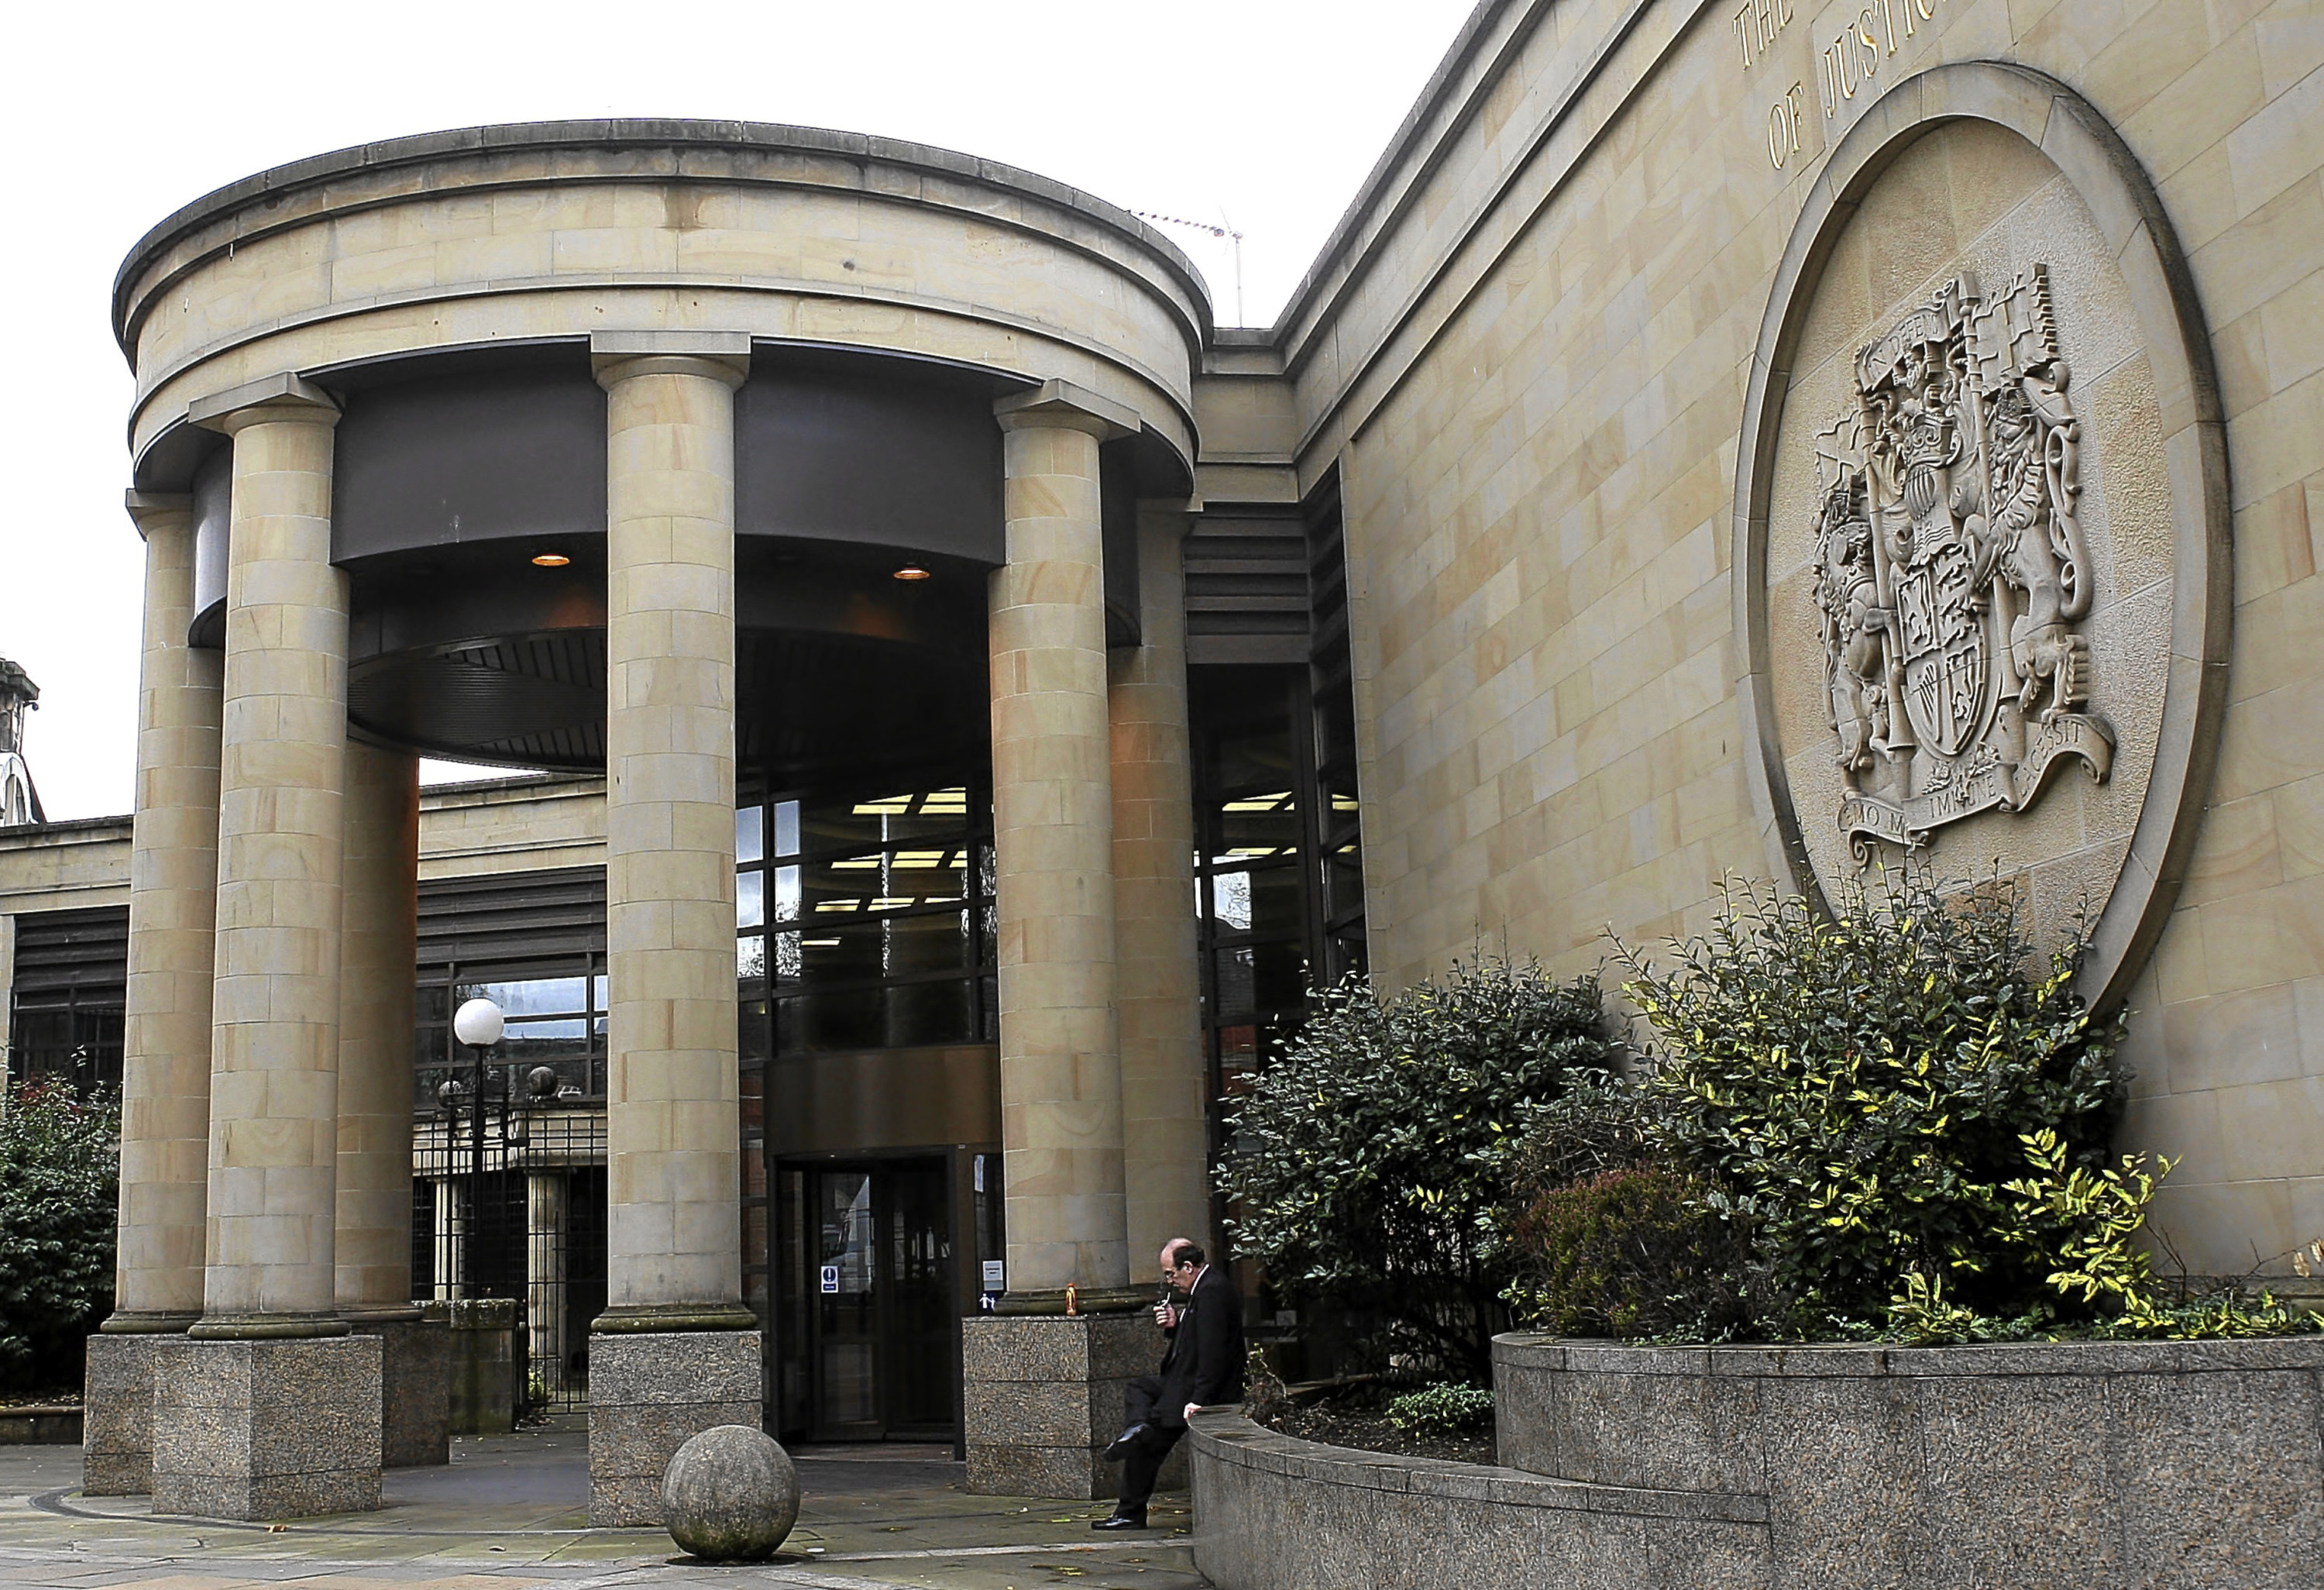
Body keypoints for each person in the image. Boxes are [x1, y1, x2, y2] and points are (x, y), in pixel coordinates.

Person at [1092, 1237, 1245, 1530]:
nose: (1170, 1281)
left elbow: (1214, 1352)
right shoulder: (1206, 1288)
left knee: (1146, 1450)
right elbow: (1196, 1342)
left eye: (1170, 1274)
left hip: (1192, 1390)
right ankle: (1136, 1429)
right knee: (1139, 1389)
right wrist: (1174, 1325)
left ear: (1188, 1267)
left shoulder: (1212, 1291)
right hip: (1180, 1382)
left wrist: (1200, 1399)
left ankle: (1130, 1509)